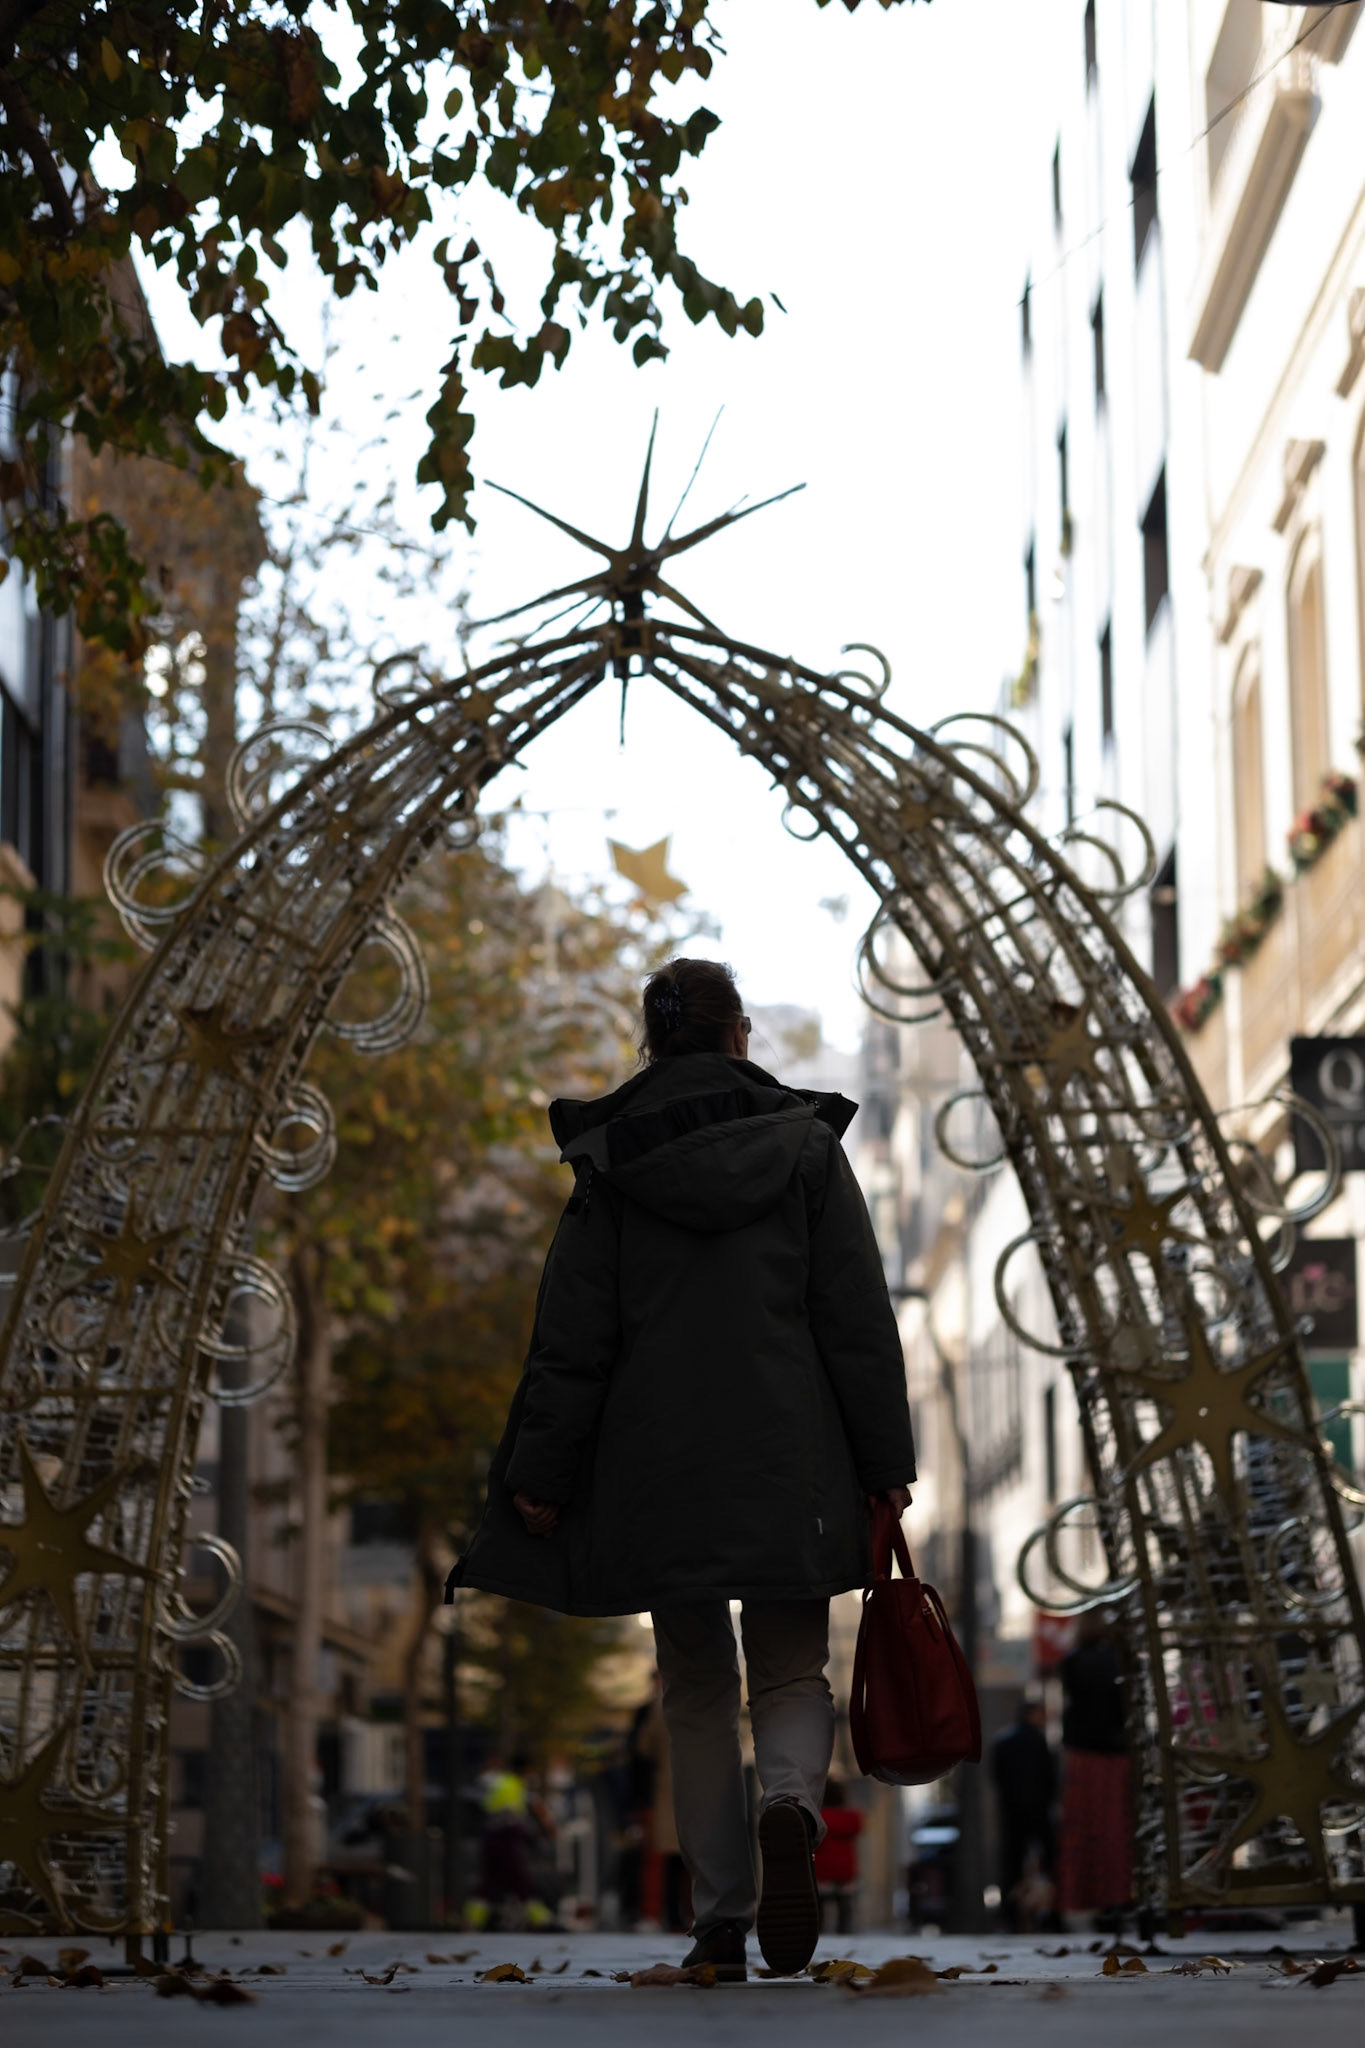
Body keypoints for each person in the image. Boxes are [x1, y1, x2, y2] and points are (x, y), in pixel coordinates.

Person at [451, 958, 917, 1980]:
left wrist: (542, 1471)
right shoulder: (805, 1148)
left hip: (657, 1467)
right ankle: (789, 1802)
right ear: (738, 1034)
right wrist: (886, 1463)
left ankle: (720, 1918)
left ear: (651, 1042)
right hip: (791, 1458)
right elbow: (855, 1320)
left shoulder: (611, 1161)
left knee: (697, 1685)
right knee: (790, 1668)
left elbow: (574, 1338)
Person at [1058, 1612, 1132, 1925]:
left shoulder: (1073, 1661)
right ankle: (1119, 1896)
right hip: (1116, 1753)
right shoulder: (1120, 1660)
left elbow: (1072, 1705)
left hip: (1084, 1754)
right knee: (1116, 1828)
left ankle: (1088, 1897)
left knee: (1085, 1829)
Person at [991, 1689, 1057, 1931]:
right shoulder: (1038, 1741)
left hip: (1012, 1810)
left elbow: (997, 1777)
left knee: (1011, 1863)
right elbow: (1049, 1776)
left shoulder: (1003, 1742)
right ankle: (1051, 1914)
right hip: (1038, 1809)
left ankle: (1010, 1916)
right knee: (1049, 1859)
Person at [813, 1776, 864, 1935]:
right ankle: (844, 1933)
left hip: (822, 1870)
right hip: (845, 1871)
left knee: (819, 1906)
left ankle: (818, 1933)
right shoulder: (851, 1817)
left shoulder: (818, 1817)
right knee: (844, 1906)